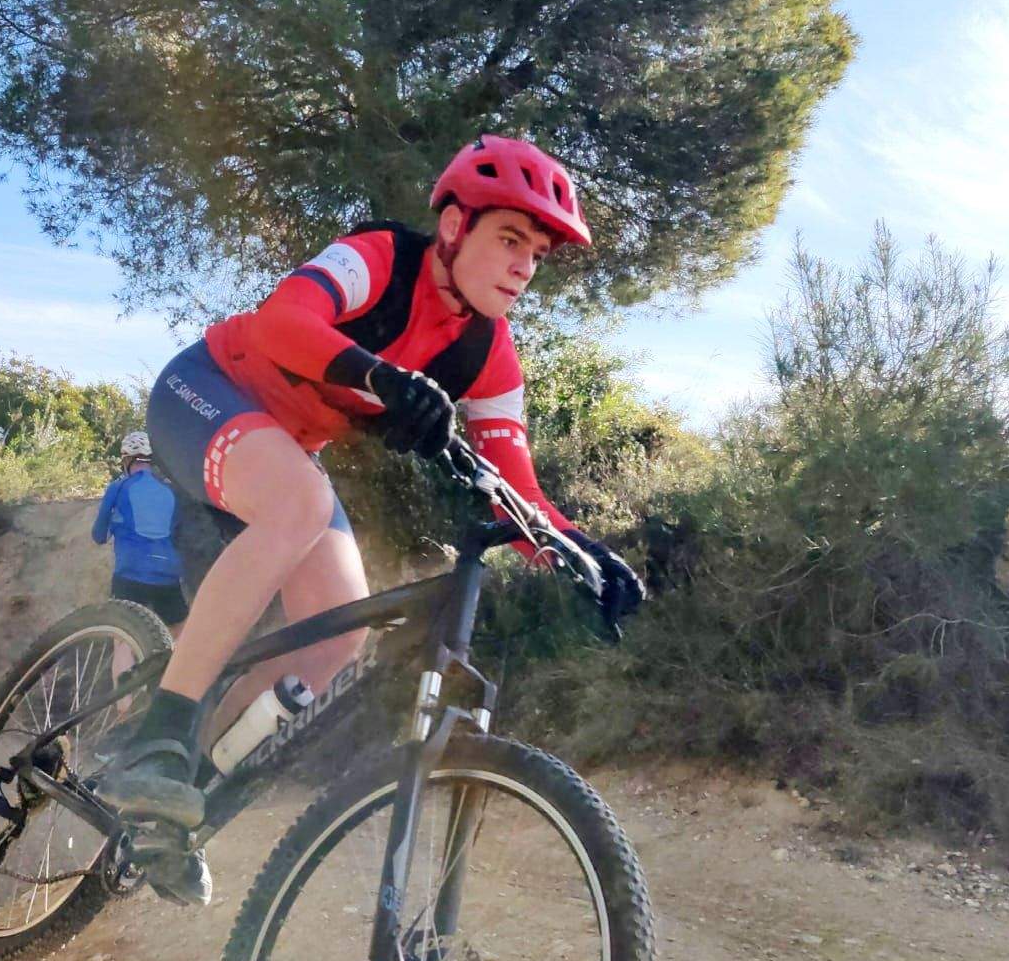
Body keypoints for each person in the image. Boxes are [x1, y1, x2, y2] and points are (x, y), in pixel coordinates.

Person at [105, 135, 645, 903]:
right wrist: (379, 376)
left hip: (283, 448)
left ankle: (176, 792)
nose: (525, 265)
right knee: (299, 502)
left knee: (339, 633)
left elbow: (513, 486)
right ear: (455, 227)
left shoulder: (488, 353)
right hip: (206, 391)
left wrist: (578, 552)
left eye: (538, 252)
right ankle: (159, 733)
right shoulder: (380, 259)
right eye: (510, 239)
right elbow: (278, 324)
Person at [91, 431, 189, 626]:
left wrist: (114, 523)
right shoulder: (171, 491)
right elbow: (176, 533)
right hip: (168, 574)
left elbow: (99, 536)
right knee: (177, 634)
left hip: (130, 574)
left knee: (124, 638)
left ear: (127, 459)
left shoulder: (117, 488)